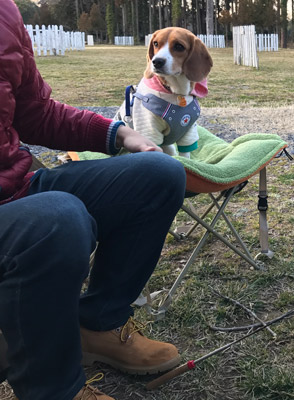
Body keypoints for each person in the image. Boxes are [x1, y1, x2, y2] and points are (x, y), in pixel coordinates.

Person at [0, 1, 186, 399]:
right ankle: (53, 390)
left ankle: (99, 324)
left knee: (161, 174)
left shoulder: (5, 13)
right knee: (56, 219)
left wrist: (121, 135)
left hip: (13, 190)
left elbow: (33, 111)